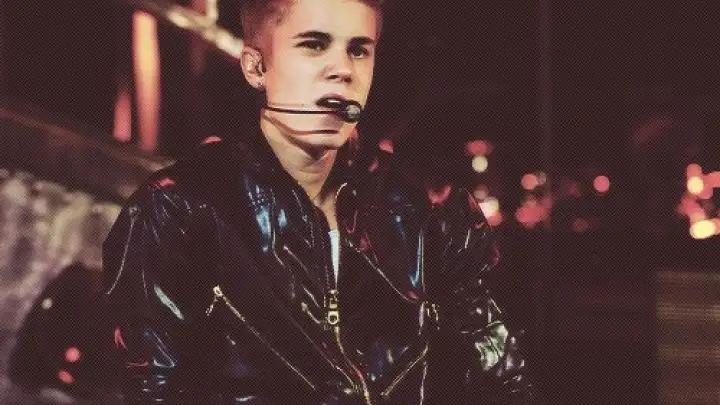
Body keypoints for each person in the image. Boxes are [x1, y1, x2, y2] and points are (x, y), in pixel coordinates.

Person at [102, 0, 537, 403]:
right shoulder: (178, 211)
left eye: (359, 50)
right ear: (256, 66)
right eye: (313, 44)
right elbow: (154, 388)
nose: (342, 70)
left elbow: (500, 375)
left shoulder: (430, 208)